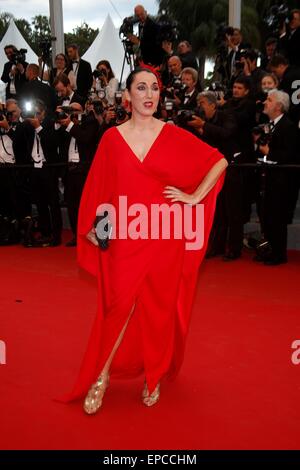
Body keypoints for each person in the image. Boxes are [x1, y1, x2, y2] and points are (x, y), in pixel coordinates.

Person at [58, 68, 227, 413]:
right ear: (128, 96)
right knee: (117, 306)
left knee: (157, 310)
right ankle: (101, 376)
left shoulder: (172, 134)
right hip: (125, 237)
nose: (149, 94)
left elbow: (219, 162)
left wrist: (194, 197)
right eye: (141, 87)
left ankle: (153, 375)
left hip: (165, 237)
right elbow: (103, 190)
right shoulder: (112, 138)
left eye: (154, 88)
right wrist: (100, 236)